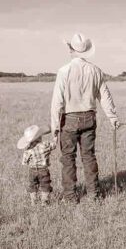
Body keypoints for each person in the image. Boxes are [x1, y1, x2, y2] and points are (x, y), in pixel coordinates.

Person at [50, 33, 119, 203]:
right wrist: (112, 117)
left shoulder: (64, 71)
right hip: (89, 117)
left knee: (68, 158)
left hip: (69, 119)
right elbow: (105, 96)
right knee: (89, 156)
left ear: (71, 50)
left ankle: (70, 197)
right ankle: (94, 194)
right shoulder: (96, 71)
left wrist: (54, 128)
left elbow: (57, 102)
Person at [17, 125, 57, 206]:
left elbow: (24, 162)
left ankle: (33, 202)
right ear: (39, 137)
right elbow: (54, 145)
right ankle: (44, 202)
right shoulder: (45, 145)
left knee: (33, 185)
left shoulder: (28, 150)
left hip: (32, 170)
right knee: (45, 185)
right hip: (43, 170)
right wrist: (55, 137)